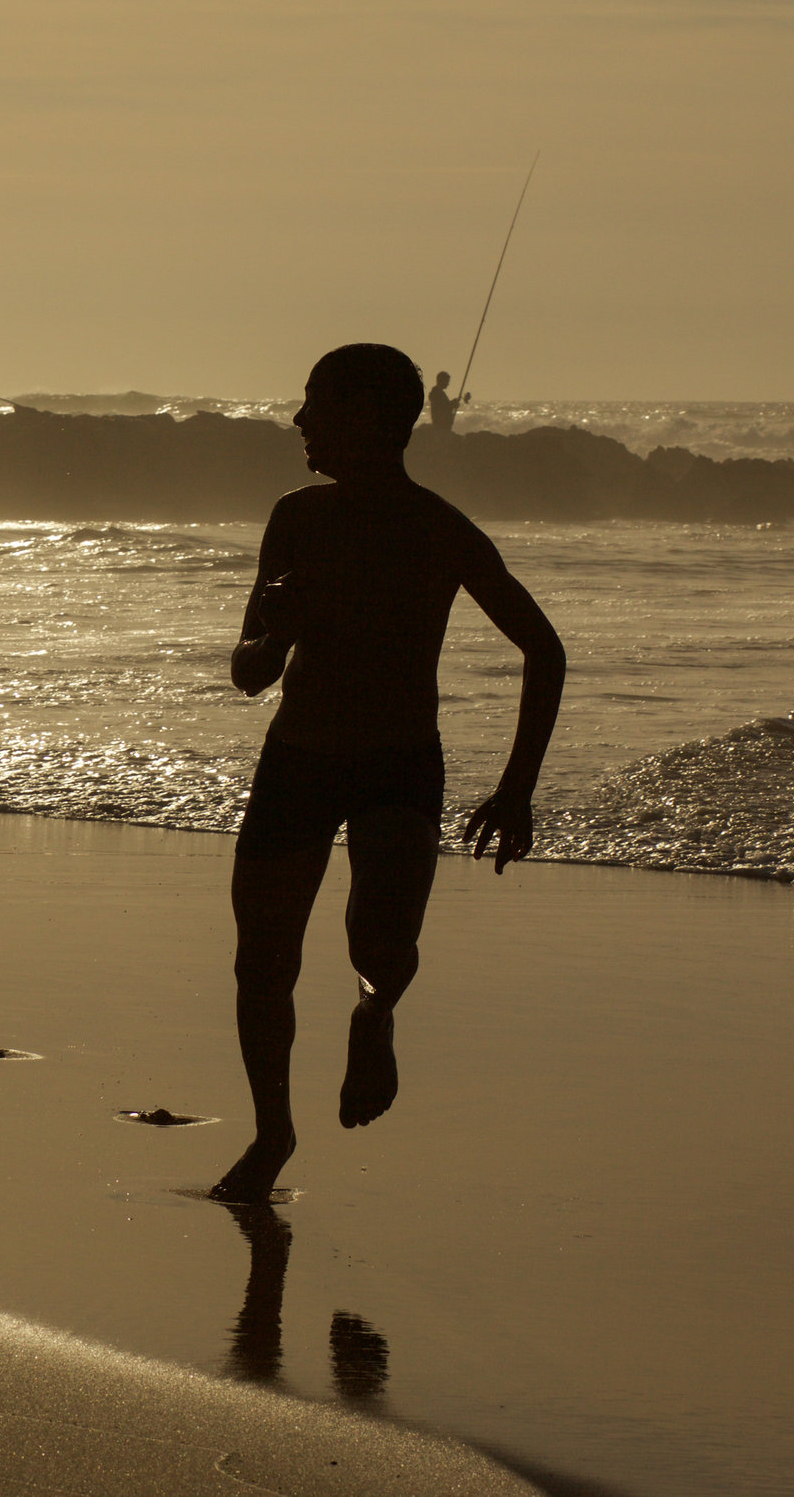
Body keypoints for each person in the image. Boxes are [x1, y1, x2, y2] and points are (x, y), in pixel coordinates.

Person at [209, 343, 564, 1205]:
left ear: (364, 416)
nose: (298, 422)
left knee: (382, 949)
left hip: (398, 767)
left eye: (314, 405)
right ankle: (272, 1133)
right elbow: (250, 673)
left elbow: (544, 650)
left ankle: (374, 1015)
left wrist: (518, 788)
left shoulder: (438, 528)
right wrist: (277, 633)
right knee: (262, 961)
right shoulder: (294, 517)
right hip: (297, 760)